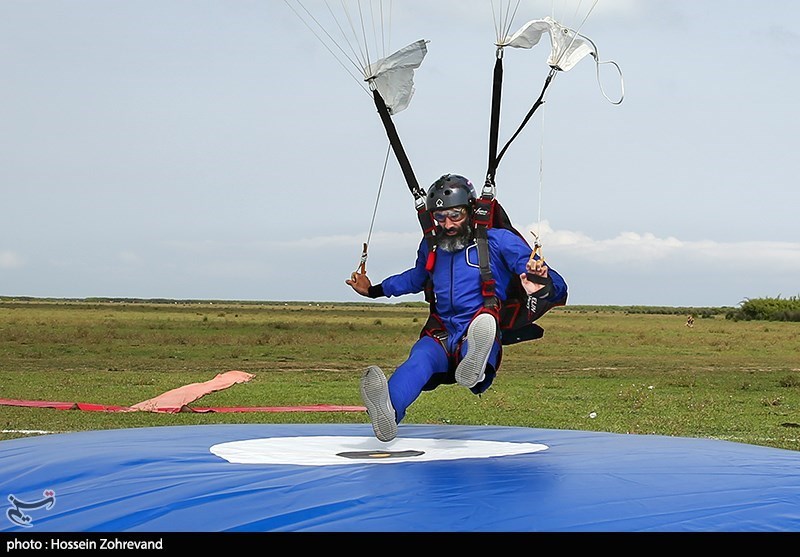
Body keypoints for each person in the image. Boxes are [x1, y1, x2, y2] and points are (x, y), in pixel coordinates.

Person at [346, 173, 568, 441]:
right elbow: (415, 278)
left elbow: (549, 279)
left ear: (471, 210)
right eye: (439, 217)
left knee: (482, 329)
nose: (447, 224)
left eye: (455, 215)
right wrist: (373, 290)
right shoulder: (432, 247)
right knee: (419, 359)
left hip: (478, 322)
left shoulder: (497, 241)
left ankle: (474, 366)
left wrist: (539, 282)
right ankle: (389, 412)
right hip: (441, 330)